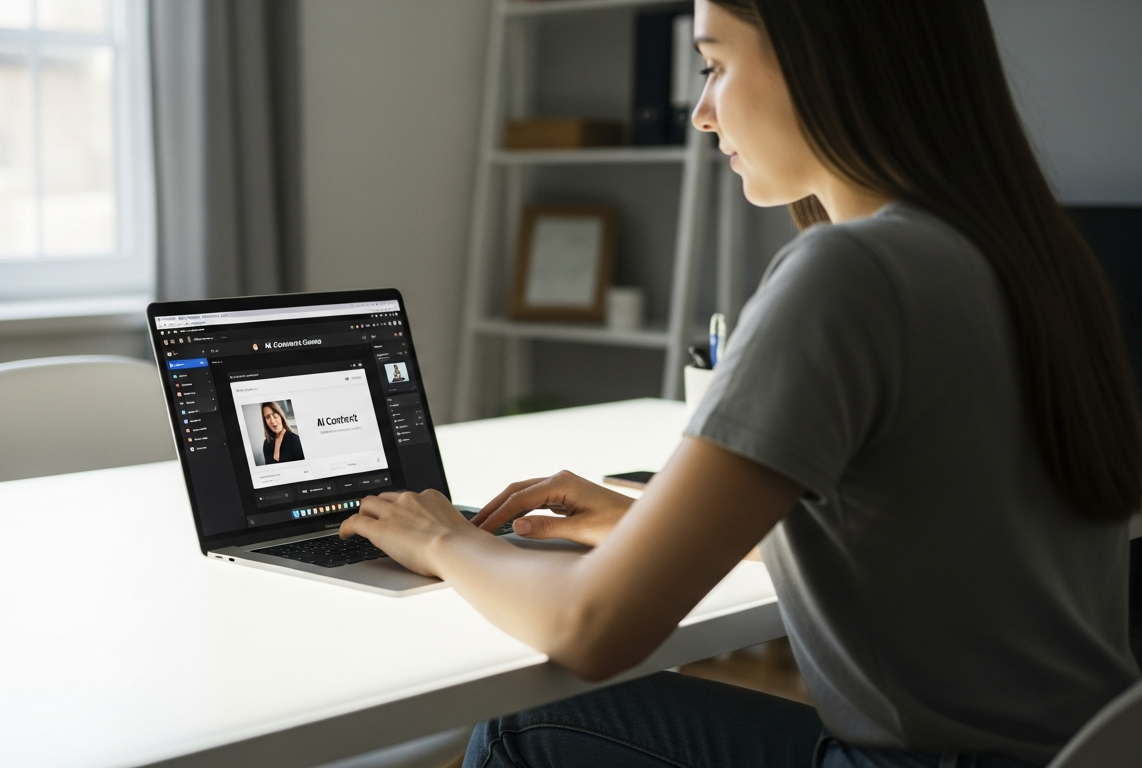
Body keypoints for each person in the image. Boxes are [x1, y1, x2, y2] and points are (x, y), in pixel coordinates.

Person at [338, 0, 1141, 766]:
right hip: (1073, 752)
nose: (702, 113)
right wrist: (644, 522)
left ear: (820, 61)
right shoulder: (1034, 259)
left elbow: (592, 629)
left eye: (714, 65)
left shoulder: (851, 274)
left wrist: (447, 539)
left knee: (529, 727)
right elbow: (937, 536)